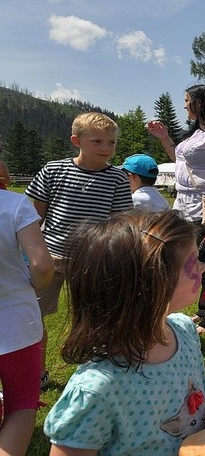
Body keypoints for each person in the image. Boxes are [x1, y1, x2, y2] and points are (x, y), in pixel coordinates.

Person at [44, 210, 205, 453]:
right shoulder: (97, 390)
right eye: (194, 261)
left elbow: (197, 374)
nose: (203, 266)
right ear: (154, 283)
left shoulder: (183, 330)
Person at [25, 112, 133, 388]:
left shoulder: (118, 179)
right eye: (97, 141)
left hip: (92, 258)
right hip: (49, 256)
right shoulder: (54, 170)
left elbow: (119, 223)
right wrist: (29, 253)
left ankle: (97, 372)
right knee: (31, 315)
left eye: (111, 142)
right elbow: (31, 216)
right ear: (77, 141)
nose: (106, 148)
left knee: (95, 316)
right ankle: (35, 375)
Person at [146, 84, 205, 334]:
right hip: (185, 207)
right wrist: (165, 138)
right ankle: (203, 310)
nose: (184, 105)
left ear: (200, 103)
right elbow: (181, 162)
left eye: (187, 100)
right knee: (190, 261)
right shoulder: (196, 135)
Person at [0, 189, 54, 455]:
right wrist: (36, 286)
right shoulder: (13, 204)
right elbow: (42, 265)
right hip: (15, 321)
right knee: (21, 403)